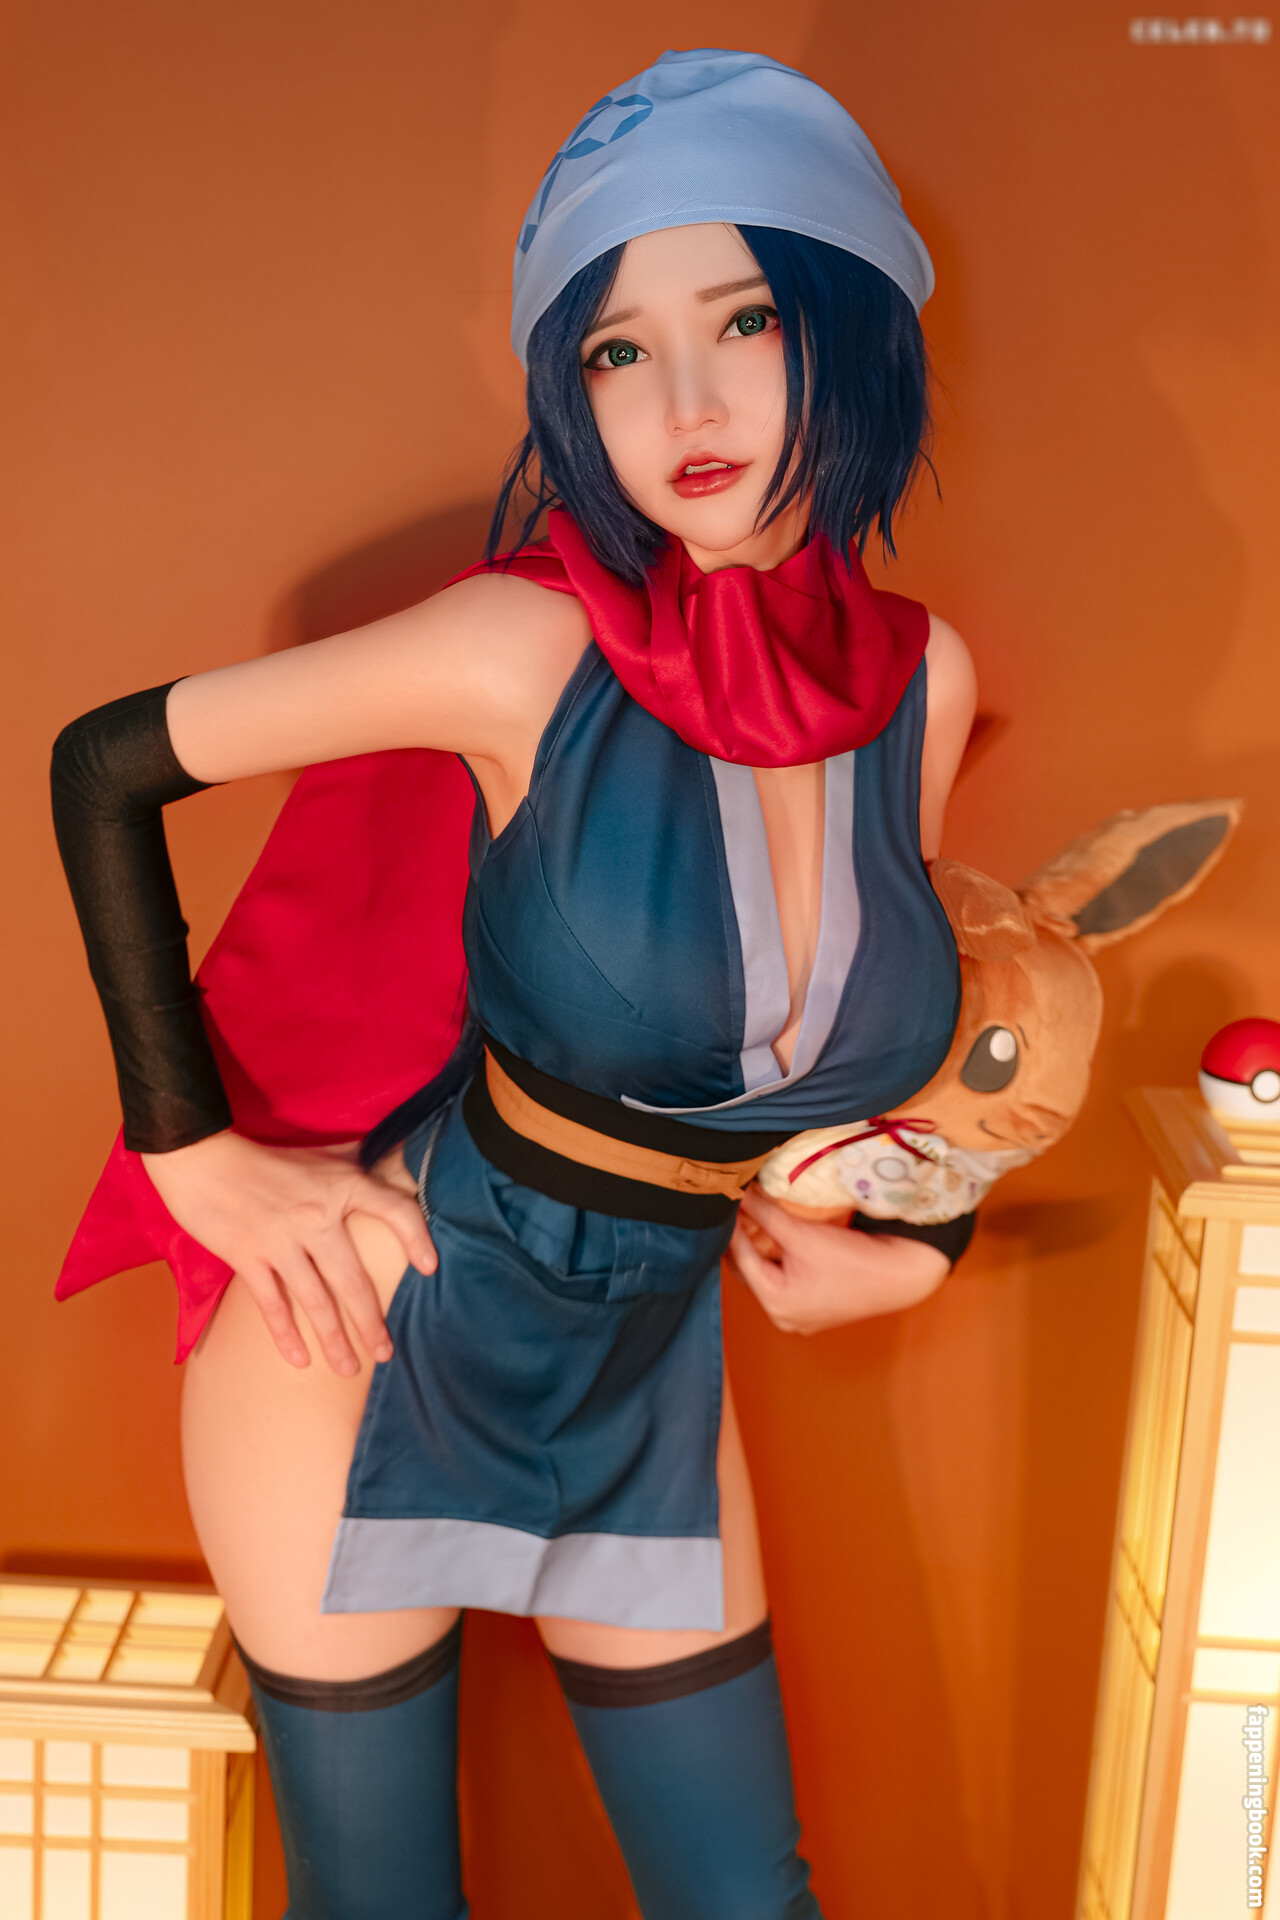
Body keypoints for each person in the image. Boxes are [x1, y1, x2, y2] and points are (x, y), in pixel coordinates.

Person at [51, 48, 976, 1920]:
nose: (684, 401)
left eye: (746, 318)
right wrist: (191, 1156)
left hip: (644, 1364)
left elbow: (909, 1043)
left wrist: (928, 1237)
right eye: (619, 349)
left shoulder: (922, 685)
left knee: (749, 1901)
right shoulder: (519, 649)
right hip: (366, 1343)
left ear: (854, 326)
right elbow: (104, 767)